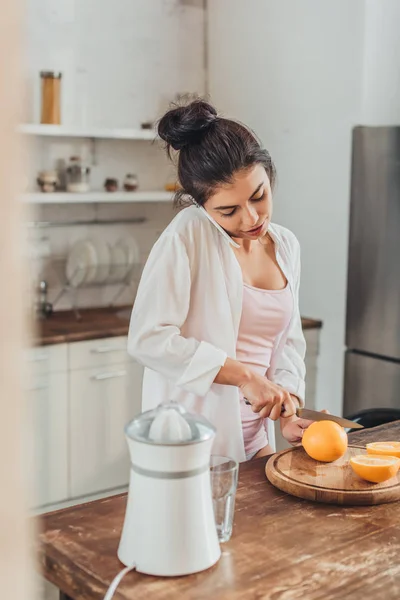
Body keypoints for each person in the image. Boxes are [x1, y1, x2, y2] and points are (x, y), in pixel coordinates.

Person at [128, 99, 313, 462]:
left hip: (256, 436)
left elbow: (287, 341)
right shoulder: (187, 236)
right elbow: (148, 340)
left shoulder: (286, 245)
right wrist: (244, 376)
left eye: (259, 196)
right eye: (228, 211)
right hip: (194, 439)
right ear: (201, 206)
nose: (251, 218)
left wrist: (287, 407)